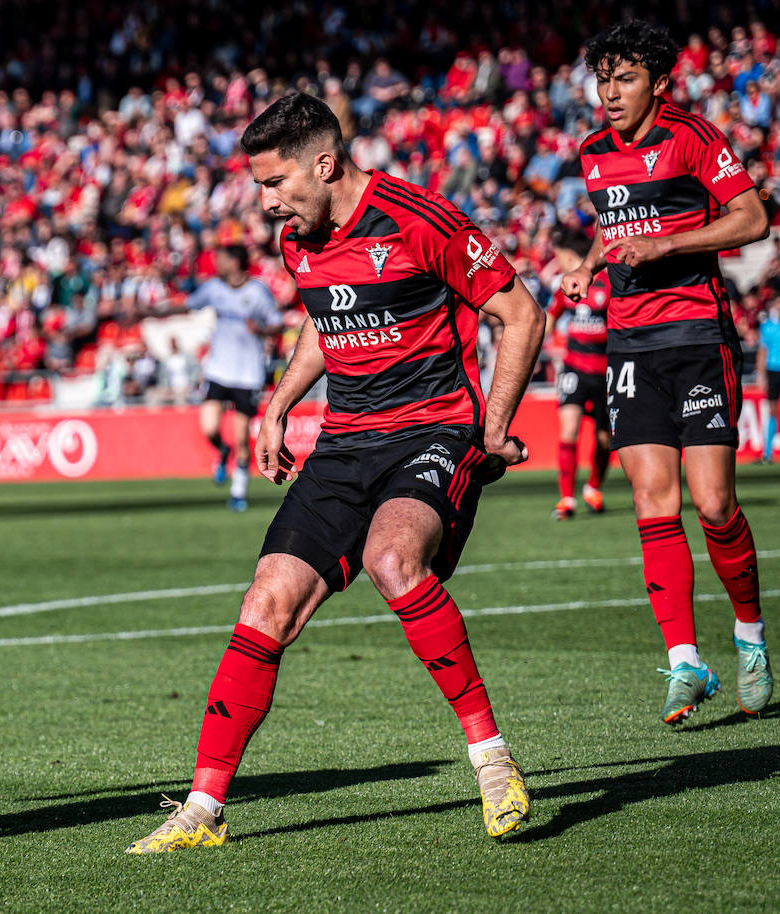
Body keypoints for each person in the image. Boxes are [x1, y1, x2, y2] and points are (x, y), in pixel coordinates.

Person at [127, 92, 545, 854]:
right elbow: (328, 323)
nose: (266, 201)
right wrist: (280, 403)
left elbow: (520, 313)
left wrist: (491, 431)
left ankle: (494, 764)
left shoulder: (422, 221)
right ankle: (201, 809)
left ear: (325, 163)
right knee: (266, 602)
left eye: (276, 182)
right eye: (258, 185)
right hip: (345, 443)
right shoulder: (299, 240)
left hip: (434, 431)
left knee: (394, 560)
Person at [561, 21, 772, 724]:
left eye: (625, 79)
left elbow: (751, 219)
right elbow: (614, 221)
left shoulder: (694, 137)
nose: (610, 93)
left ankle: (749, 640)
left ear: (658, 82)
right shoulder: (592, 152)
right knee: (655, 503)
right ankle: (685, 662)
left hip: (696, 337)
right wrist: (589, 264)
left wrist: (669, 244)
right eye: (603, 79)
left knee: (713, 503)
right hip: (630, 347)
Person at [180, 245, 283, 510]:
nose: (216, 263)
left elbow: (277, 323)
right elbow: (188, 305)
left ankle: (238, 492)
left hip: (248, 375)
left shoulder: (258, 292)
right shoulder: (214, 288)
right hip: (218, 371)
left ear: (235, 262)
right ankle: (221, 451)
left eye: (221, 259)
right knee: (209, 428)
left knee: (241, 437)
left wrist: (260, 329)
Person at [546, 228, 612, 519]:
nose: (559, 263)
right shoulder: (566, 286)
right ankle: (567, 499)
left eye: (561, 257)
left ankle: (593, 488)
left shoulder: (608, 286)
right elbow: (550, 319)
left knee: (604, 439)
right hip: (574, 368)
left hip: (606, 372)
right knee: (568, 431)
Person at [758, 303, 780, 463]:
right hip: (773, 369)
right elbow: (762, 350)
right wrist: (761, 375)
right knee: (772, 410)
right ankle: (767, 452)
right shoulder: (767, 327)